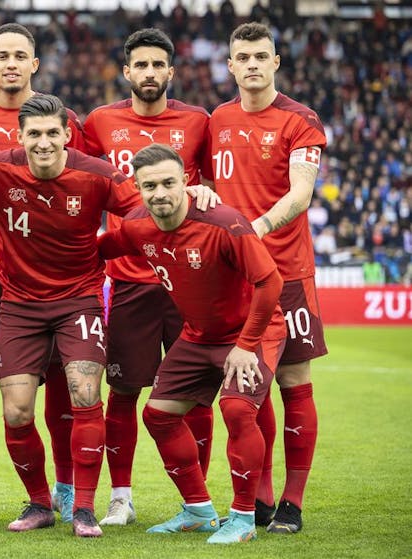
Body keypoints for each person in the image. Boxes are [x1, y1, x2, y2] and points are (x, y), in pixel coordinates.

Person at [0, 95, 218, 538]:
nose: (43, 142)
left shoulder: (97, 174)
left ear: (67, 135)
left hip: (78, 301)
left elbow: (149, 204)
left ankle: (83, 508)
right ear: (20, 137)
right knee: (17, 412)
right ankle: (40, 503)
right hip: (19, 305)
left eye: (51, 133)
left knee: (84, 394)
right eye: (34, 134)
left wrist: (189, 194)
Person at [97, 143, 286, 544]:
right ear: (137, 188)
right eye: (149, 186)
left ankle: (243, 518)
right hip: (199, 335)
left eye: (168, 183)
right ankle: (199, 511)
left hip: (253, 333)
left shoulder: (224, 223)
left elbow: (270, 281)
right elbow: (95, 248)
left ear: (186, 181)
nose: (159, 193)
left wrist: (246, 345)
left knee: (237, 409)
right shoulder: (136, 225)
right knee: (158, 415)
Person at [0, 22, 83, 525]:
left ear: (34, 64)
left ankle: (65, 488)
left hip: (49, 276)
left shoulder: (61, 118)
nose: (10, 64)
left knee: (60, 382)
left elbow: (80, 182)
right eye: (1, 56)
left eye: (20, 56)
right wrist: (5, 211)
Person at [79, 28, 213, 527]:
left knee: (197, 396)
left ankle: (196, 501)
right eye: (142, 65)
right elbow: (70, 167)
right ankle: (121, 498)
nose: (150, 73)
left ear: (171, 71)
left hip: (189, 281)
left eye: (159, 65)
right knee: (123, 392)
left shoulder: (198, 122)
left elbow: (213, 185)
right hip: (130, 281)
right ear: (127, 71)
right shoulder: (99, 122)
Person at [210, 21, 328, 533]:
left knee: (294, 382)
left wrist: (251, 230)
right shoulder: (218, 119)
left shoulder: (300, 120)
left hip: (289, 272)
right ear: (230, 65)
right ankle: (259, 498)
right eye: (243, 57)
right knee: (248, 383)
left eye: (261, 56)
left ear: (276, 62)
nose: (252, 64)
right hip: (236, 278)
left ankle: (292, 503)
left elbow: (301, 194)